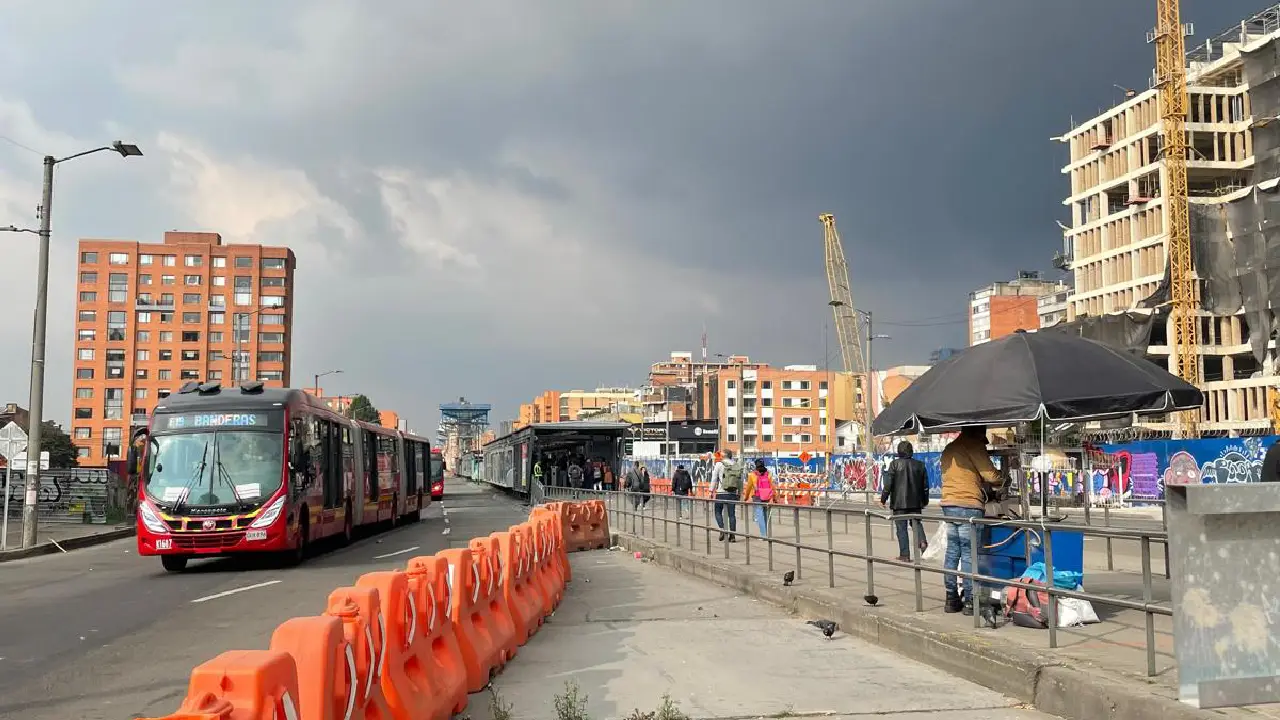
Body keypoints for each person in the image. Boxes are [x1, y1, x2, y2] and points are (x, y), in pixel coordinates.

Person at [939, 425, 1003, 615]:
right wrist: (1004, 478)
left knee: (952, 552)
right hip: (968, 505)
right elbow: (990, 475)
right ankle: (970, 601)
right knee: (969, 553)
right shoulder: (973, 445)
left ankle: (951, 598)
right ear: (978, 432)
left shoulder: (950, 448)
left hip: (949, 504)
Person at [880, 440, 930, 562]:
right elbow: (925, 486)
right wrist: (925, 501)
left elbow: (888, 484)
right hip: (916, 502)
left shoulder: (894, 464)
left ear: (899, 452)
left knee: (901, 528)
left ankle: (905, 555)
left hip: (899, 503)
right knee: (916, 523)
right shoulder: (920, 465)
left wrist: (883, 499)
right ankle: (922, 543)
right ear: (911, 451)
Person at [709, 449, 743, 542]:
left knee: (717, 512)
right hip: (732, 493)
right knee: (732, 515)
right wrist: (739, 493)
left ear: (724, 456)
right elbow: (740, 481)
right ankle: (732, 536)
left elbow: (714, 478)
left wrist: (711, 491)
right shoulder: (736, 465)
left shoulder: (719, 464)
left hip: (721, 493)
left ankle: (722, 529)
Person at [742, 459, 774, 537]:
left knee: (760, 516)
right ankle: (766, 533)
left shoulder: (752, 475)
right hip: (767, 497)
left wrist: (745, 498)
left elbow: (749, 487)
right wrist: (773, 498)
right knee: (765, 515)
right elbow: (772, 486)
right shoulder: (768, 474)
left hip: (757, 497)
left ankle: (763, 535)